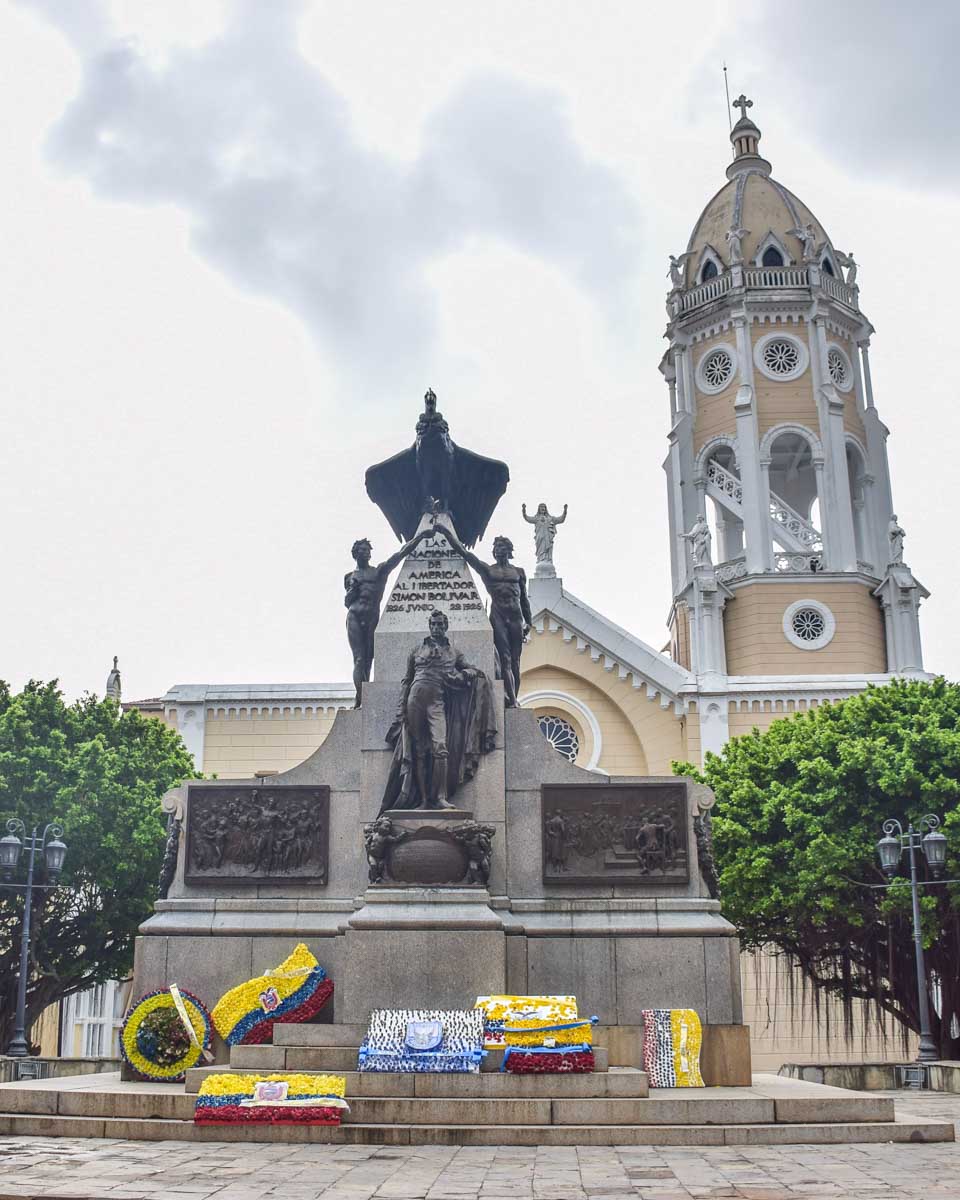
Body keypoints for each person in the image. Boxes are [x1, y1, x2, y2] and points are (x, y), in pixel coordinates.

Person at [380, 609, 497, 812]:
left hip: (437, 701)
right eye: (433, 624)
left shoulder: (454, 653)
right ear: (429, 625)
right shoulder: (416, 650)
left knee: (440, 747)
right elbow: (406, 681)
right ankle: (425, 800)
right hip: (414, 700)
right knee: (420, 750)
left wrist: (463, 676)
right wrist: (401, 711)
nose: (436, 628)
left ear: (446, 627)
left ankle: (440, 797)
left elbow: (472, 670)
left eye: (440, 625)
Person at [433, 522, 532, 707]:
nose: (499, 550)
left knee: (516, 661)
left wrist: (530, 622)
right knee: (505, 659)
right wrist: (446, 532)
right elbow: (465, 553)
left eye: (503, 547)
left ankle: (513, 698)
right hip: (499, 616)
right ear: (494, 552)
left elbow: (524, 599)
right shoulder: (489, 570)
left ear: (509, 550)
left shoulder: (518, 572)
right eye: (496, 548)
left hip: (517, 617)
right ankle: (511, 698)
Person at [344, 529, 430, 706]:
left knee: (369, 658)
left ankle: (364, 694)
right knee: (359, 659)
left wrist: (419, 537)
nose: (365, 552)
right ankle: (360, 698)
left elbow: (399, 555)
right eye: (361, 550)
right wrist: (352, 590)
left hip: (372, 616)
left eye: (367, 549)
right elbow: (347, 602)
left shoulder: (379, 572)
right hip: (354, 615)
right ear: (355, 554)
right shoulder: (349, 576)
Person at [522, 502, 567, 570]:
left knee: (548, 550)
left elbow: (561, 519)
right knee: (541, 550)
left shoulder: (550, 518)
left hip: (548, 538)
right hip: (539, 538)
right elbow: (527, 518)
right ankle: (541, 560)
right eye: (541, 507)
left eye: (544, 507)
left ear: (546, 509)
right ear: (539, 509)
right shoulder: (536, 518)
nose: (542, 509)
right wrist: (524, 511)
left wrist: (565, 511)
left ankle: (548, 560)